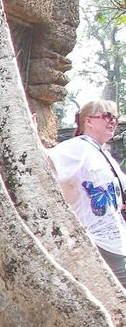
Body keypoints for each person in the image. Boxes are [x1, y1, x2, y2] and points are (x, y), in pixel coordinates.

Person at [47, 100, 126, 287]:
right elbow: (46, 160)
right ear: (88, 121)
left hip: (114, 240)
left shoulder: (102, 154)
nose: (113, 121)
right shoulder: (78, 147)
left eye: (115, 117)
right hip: (97, 241)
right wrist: (30, 134)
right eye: (107, 116)